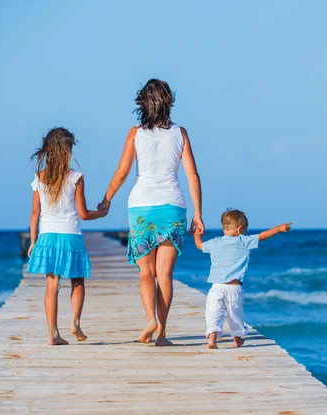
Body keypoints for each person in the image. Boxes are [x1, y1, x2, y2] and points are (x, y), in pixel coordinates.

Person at [98, 79, 204, 346]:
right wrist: (198, 213)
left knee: (146, 273)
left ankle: (150, 319)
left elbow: (122, 172)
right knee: (164, 275)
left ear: (144, 102)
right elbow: (192, 176)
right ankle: (162, 335)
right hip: (173, 207)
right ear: (168, 102)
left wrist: (106, 199)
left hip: (142, 206)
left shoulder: (136, 134)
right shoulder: (181, 134)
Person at [27, 127, 107, 345]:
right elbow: (83, 214)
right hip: (70, 235)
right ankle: (75, 322)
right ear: (67, 150)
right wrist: (101, 213)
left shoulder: (39, 177)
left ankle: (53, 333)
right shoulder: (75, 177)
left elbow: (35, 214)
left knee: (51, 286)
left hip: (47, 237)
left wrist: (33, 241)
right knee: (78, 281)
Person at [192, 209, 292, 349]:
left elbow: (200, 246)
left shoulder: (214, 243)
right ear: (239, 229)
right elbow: (262, 236)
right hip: (235, 288)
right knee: (235, 315)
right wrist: (279, 228)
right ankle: (237, 339)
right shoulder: (243, 241)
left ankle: (212, 339)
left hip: (217, 288)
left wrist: (196, 235)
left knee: (214, 312)